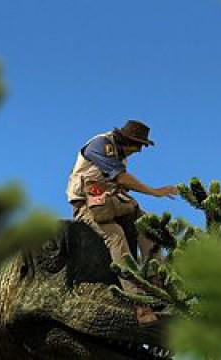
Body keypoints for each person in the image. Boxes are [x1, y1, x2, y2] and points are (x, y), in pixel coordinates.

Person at [66, 120, 178, 325]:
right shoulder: (101, 145)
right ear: (128, 141)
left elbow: (120, 183)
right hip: (87, 205)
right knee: (116, 237)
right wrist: (155, 192)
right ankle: (138, 302)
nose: (139, 151)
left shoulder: (120, 154)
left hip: (114, 201)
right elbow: (121, 178)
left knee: (149, 227)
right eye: (139, 146)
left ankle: (157, 284)